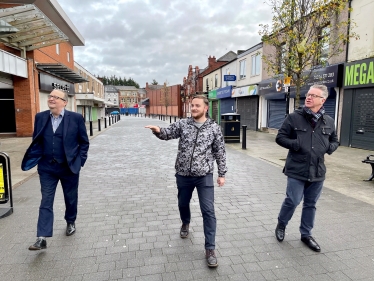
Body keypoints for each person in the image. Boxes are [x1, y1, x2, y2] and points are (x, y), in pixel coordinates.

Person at [145, 95, 227, 267]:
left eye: (197, 105)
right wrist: (157, 130)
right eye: (192, 105)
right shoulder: (183, 124)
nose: (194, 108)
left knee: (208, 211)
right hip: (183, 174)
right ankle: (185, 222)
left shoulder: (214, 128)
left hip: (204, 176)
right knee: (183, 204)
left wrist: (222, 174)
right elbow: (168, 133)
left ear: (205, 108)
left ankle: (210, 249)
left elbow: (220, 152)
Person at [22, 89, 89, 250]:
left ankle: (70, 221)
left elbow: (84, 142)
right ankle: (42, 237)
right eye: (50, 96)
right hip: (47, 168)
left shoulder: (76, 118)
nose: (51, 99)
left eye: (55, 97)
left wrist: (80, 161)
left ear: (64, 102)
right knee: (46, 200)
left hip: (69, 167)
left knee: (70, 198)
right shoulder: (40, 117)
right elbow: (36, 140)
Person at [274, 84, 339, 252]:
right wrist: (296, 144)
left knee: (311, 204)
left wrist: (329, 148)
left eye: (313, 96)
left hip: (318, 171)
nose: (308, 97)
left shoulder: (329, 121)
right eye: (308, 94)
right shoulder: (294, 117)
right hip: (297, 169)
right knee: (293, 200)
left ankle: (306, 234)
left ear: (323, 100)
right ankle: (281, 224)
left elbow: (335, 140)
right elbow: (280, 137)